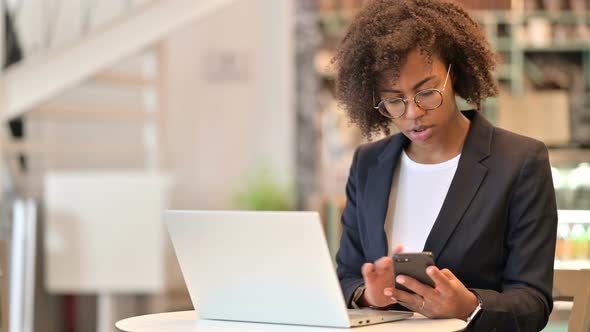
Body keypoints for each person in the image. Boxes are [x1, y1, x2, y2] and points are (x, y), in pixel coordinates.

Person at [331, 1, 558, 331]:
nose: (413, 112)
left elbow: (533, 303)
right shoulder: (369, 164)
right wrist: (368, 296)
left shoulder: (520, 162)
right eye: (394, 100)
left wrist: (470, 306)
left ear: (455, 72)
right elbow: (347, 277)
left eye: (426, 91)